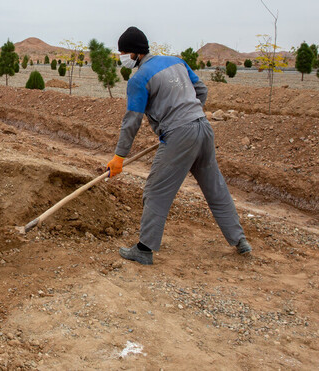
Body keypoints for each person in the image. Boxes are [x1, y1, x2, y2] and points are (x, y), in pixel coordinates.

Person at [106, 26, 251, 265]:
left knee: (155, 190)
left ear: (134, 53)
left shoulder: (139, 79)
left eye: (123, 52)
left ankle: (144, 249)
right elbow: (201, 91)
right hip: (203, 128)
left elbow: (131, 121)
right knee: (216, 188)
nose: (122, 57)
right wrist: (189, 114)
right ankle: (239, 241)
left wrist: (119, 157)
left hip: (180, 135)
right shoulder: (177, 62)